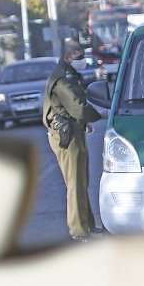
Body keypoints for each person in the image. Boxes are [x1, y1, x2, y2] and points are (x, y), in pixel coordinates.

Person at [42, 39, 104, 242]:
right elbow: (77, 106)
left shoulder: (67, 73)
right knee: (75, 183)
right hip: (67, 136)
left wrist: (83, 123)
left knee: (81, 181)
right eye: (79, 57)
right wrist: (100, 115)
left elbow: (69, 108)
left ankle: (88, 224)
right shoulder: (64, 78)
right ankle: (78, 230)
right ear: (68, 57)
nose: (82, 60)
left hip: (73, 130)